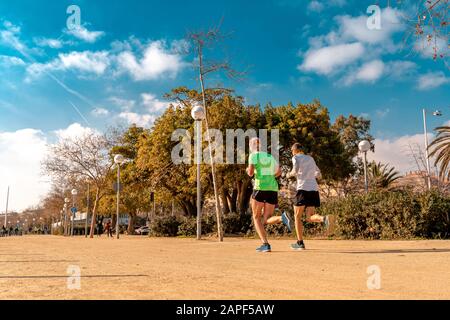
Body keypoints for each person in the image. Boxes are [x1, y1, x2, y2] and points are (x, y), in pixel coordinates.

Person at [246, 137, 290, 253]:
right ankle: (282, 218)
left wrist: (248, 170)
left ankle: (265, 244)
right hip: (273, 188)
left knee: (256, 217)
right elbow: (279, 172)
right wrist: (269, 177)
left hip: (260, 188)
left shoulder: (253, 155)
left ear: (252, 146)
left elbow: (250, 173)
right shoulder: (270, 157)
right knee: (266, 219)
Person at [286, 143, 330, 251]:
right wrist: (310, 175)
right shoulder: (310, 158)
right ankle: (324, 219)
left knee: (297, 216)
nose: (292, 152)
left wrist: (288, 174)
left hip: (302, 189)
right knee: (310, 216)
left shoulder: (295, 157)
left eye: (292, 150)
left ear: (295, 150)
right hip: (313, 189)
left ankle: (300, 243)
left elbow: (295, 170)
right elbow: (319, 174)